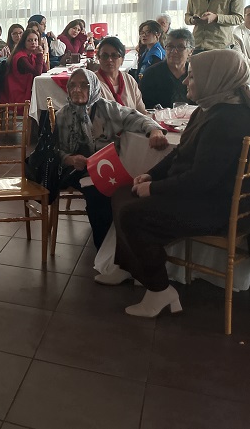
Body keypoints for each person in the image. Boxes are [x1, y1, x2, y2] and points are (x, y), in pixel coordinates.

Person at [106, 50, 250, 318]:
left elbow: (201, 180)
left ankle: (159, 290)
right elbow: (179, 154)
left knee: (132, 215)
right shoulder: (209, 109)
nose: (185, 81)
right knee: (122, 193)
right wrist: (151, 175)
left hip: (214, 209)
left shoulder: (229, 121)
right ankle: (128, 266)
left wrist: (155, 189)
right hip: (197, 196)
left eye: (192, 76)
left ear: (214, 79)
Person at [56, 69, 167, 248]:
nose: (77, 90)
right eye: (73, 85)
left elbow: (135, 117)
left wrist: (154, 130)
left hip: (105, 166)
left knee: (132, 190)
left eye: (84, 85)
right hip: (74, 170)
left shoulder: (107, 108)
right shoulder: (63, 115)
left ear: (93, 87)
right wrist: (70, 159)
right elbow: (55, 151)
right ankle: (104, 249)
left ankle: (123, 245)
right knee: (98, 196)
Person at [140, 28, 193, 109]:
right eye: (170, 46)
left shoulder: (196, 73)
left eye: (180, 47)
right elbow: (146, 106)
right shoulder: (151, 74)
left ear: (191, 51)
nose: (174, 51)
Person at [95, 36, 146, 114]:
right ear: (98, 58)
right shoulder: (93, 82)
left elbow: (141, 112)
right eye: (104, 56)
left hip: (134, 121)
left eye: (114, 55)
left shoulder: (129, 80)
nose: (109, 60)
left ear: (122, 59)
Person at [1, 27, 48, 107]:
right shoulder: (21, 58)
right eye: (29, 40)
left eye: (35, 40)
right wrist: (40, 55)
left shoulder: (31, 54)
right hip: (20, 95)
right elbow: (37, 73)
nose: (33, 43)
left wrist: (39, 54)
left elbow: (44, 70)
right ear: (24, 42)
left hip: (29, 90)